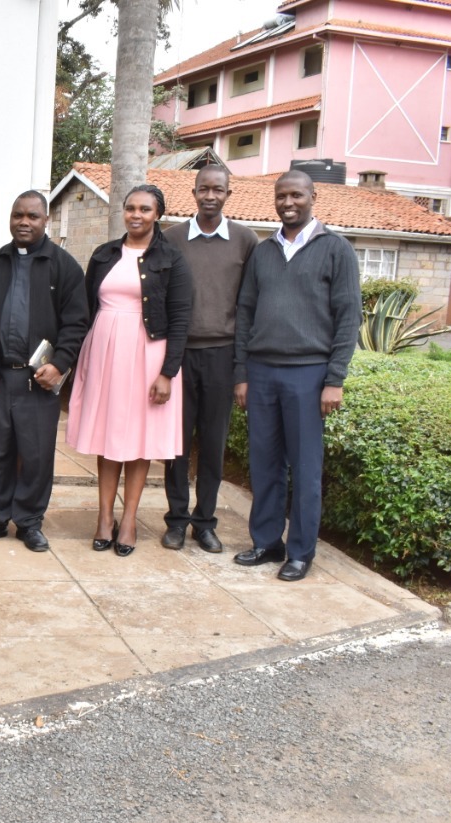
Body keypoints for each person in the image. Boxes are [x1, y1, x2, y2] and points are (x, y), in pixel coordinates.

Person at [233, 171, 361, 582]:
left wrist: (334, 379)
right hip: (262, 371)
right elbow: (245, 315)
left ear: (313, 197)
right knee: (265, 463)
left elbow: (348, 318)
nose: (289, 202)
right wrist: (242, 374)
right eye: (282, 195)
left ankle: (301, 552)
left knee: (305, 468)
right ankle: (267, 542)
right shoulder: (263, 251)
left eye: (297, 195)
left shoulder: (335, 249)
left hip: (308, 374)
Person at [67, 185, 192, 557]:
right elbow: (85, 308)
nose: (136, 215)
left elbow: (182, 319)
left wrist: (168, 373)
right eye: (130, 208)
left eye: (145, 209)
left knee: (139, 442)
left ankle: (130, 520)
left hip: (148, 356)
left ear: (158, 215)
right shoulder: (104, 254)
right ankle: (104, 518)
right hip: (104, 353)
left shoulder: (173, 259)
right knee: (107, 438)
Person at [0, 191, 89, 552]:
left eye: (32, 216)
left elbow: (76, 322)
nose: (24, 222)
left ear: (45, 220)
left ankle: (30, 522)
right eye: (18, 215)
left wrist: (60, 363)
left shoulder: (64, 266)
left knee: (36, 456)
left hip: (39, 381)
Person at [160, 165, 259, 554]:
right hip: (179, 355)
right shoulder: (171, 239)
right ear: (195, 192)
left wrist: (242, 369)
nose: (211, 195)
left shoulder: (245, 240)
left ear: (228, 195)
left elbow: (249, 305)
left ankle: (204, 523)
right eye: (204, 189)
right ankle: (176, 520)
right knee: (176, 446)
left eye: (218, 189)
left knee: (214, 445)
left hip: (222, 355)